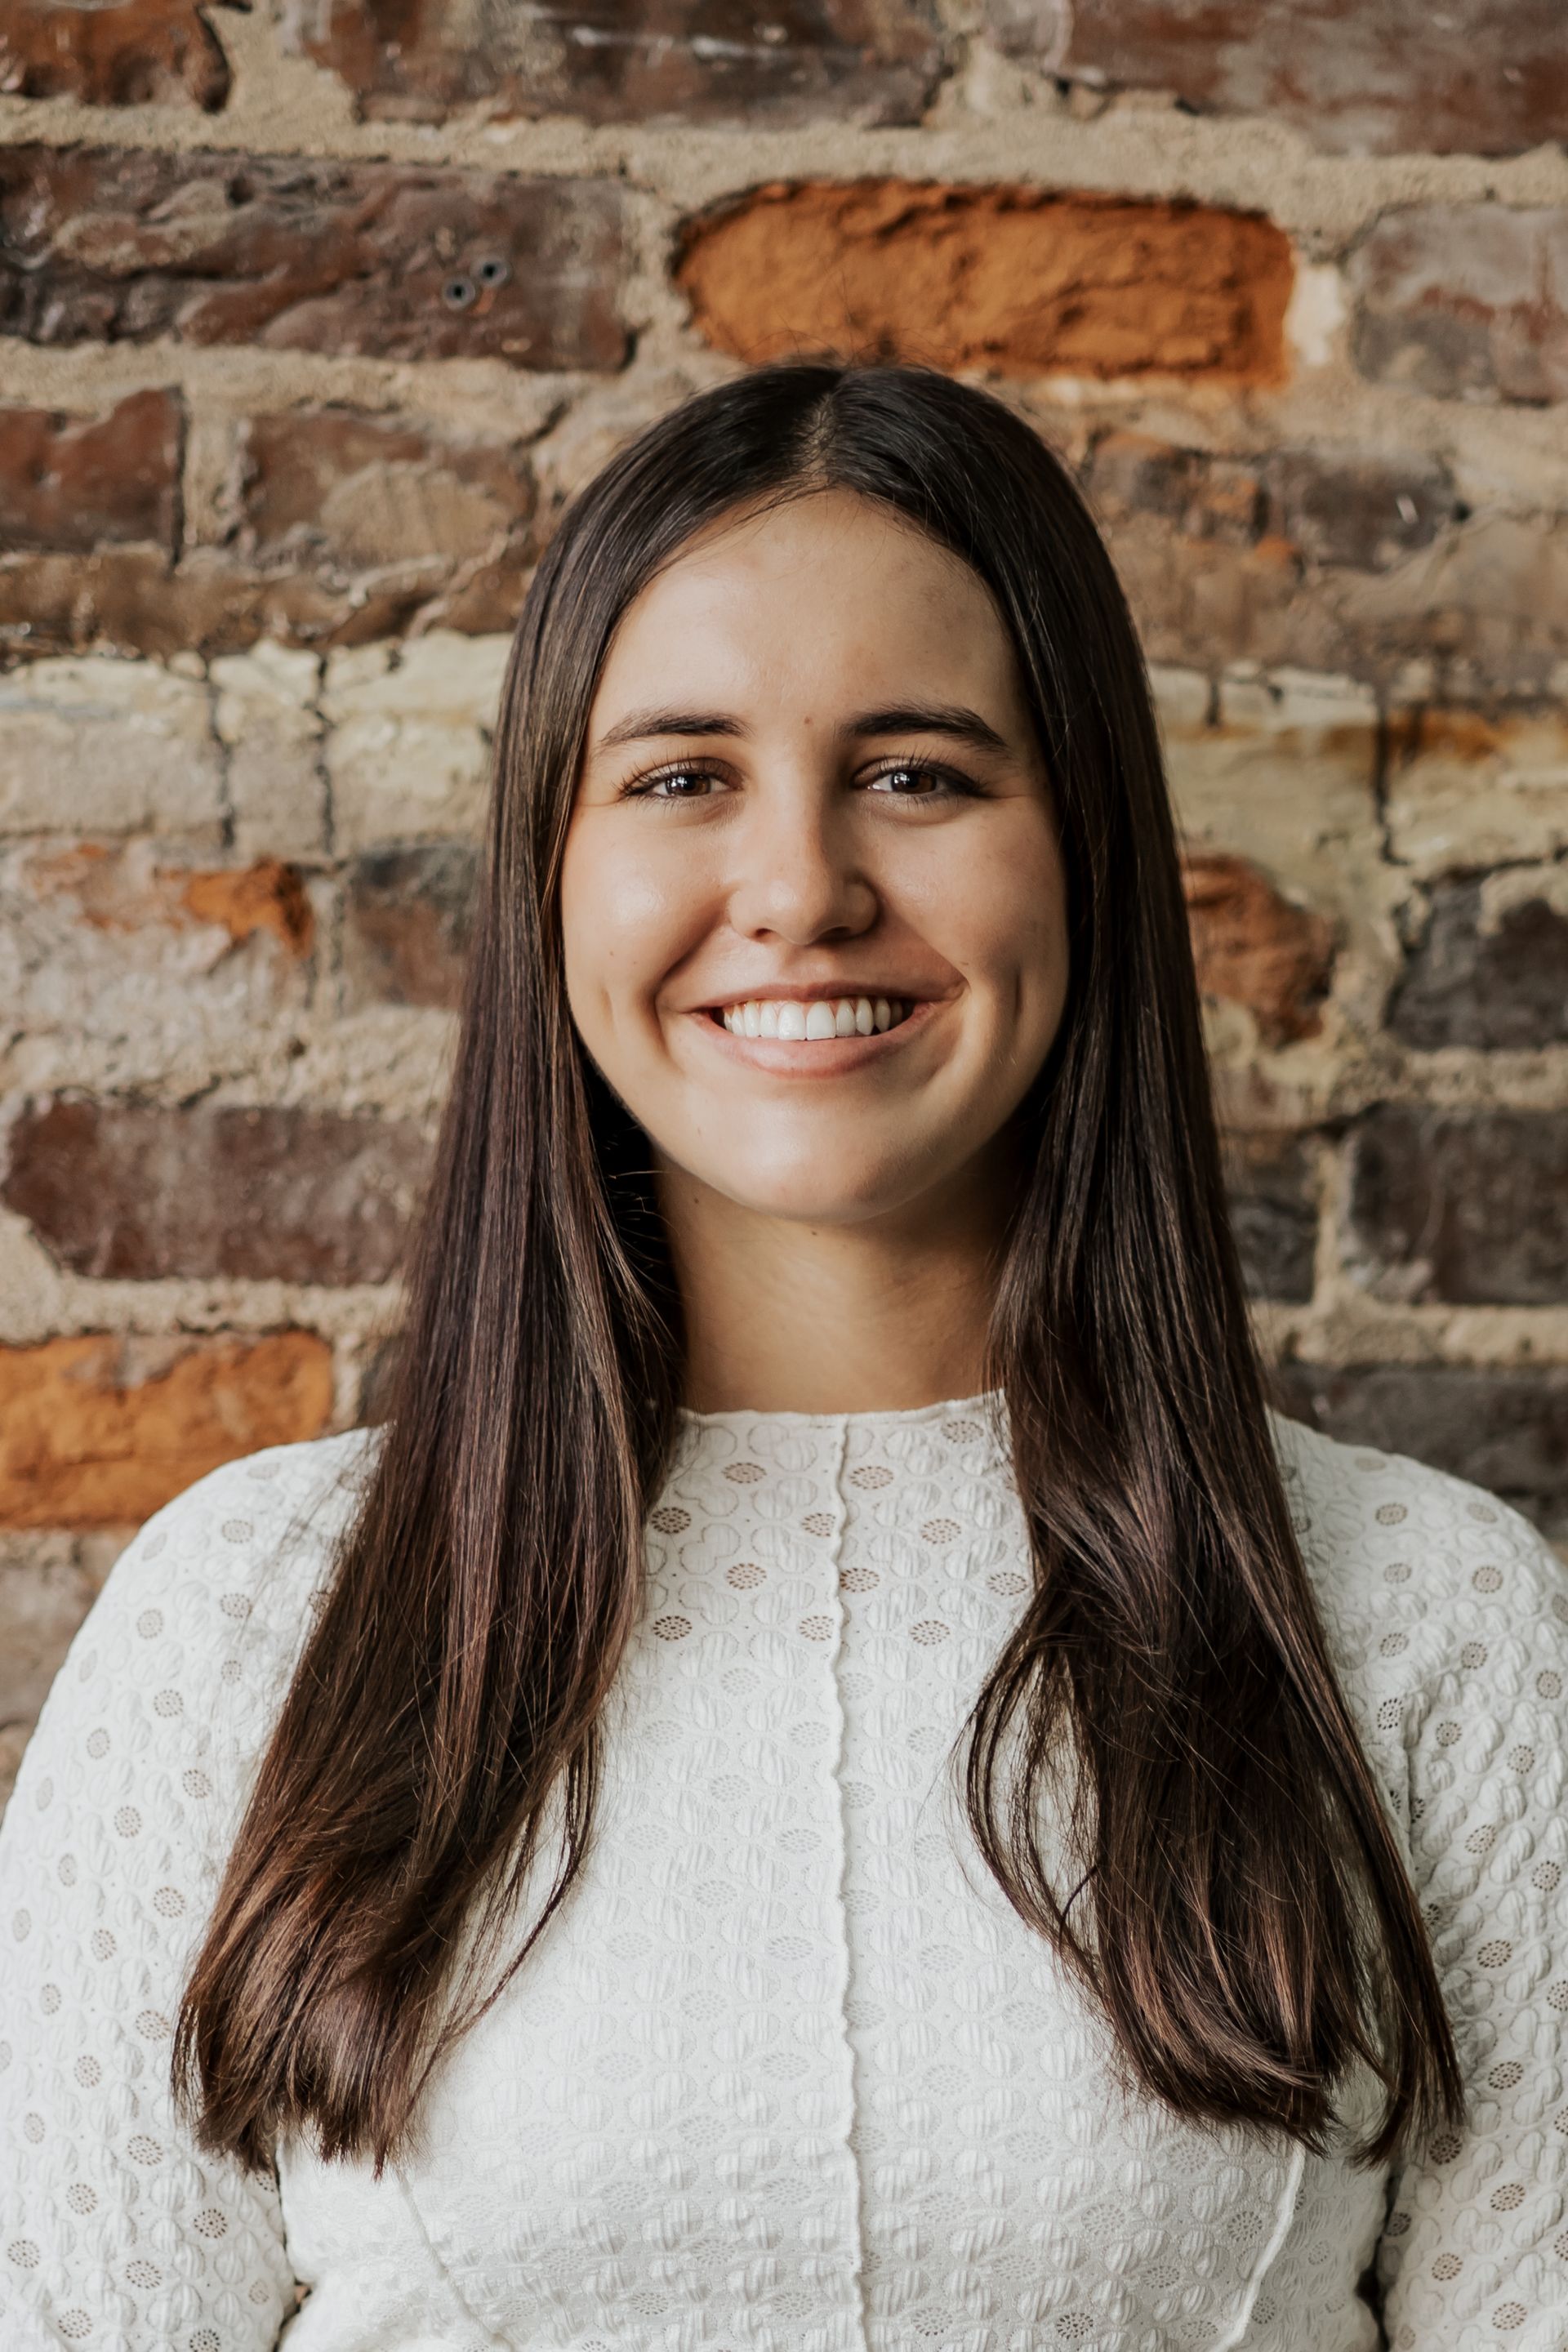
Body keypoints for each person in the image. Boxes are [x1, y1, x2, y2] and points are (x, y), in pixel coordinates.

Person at [2, 360, 1565, 2352]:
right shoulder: (252, 1621)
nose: (802, 891)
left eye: (918, 771)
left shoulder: (1429, 1628)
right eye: (679, 777)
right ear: (548, 871)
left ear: (1081, 845)